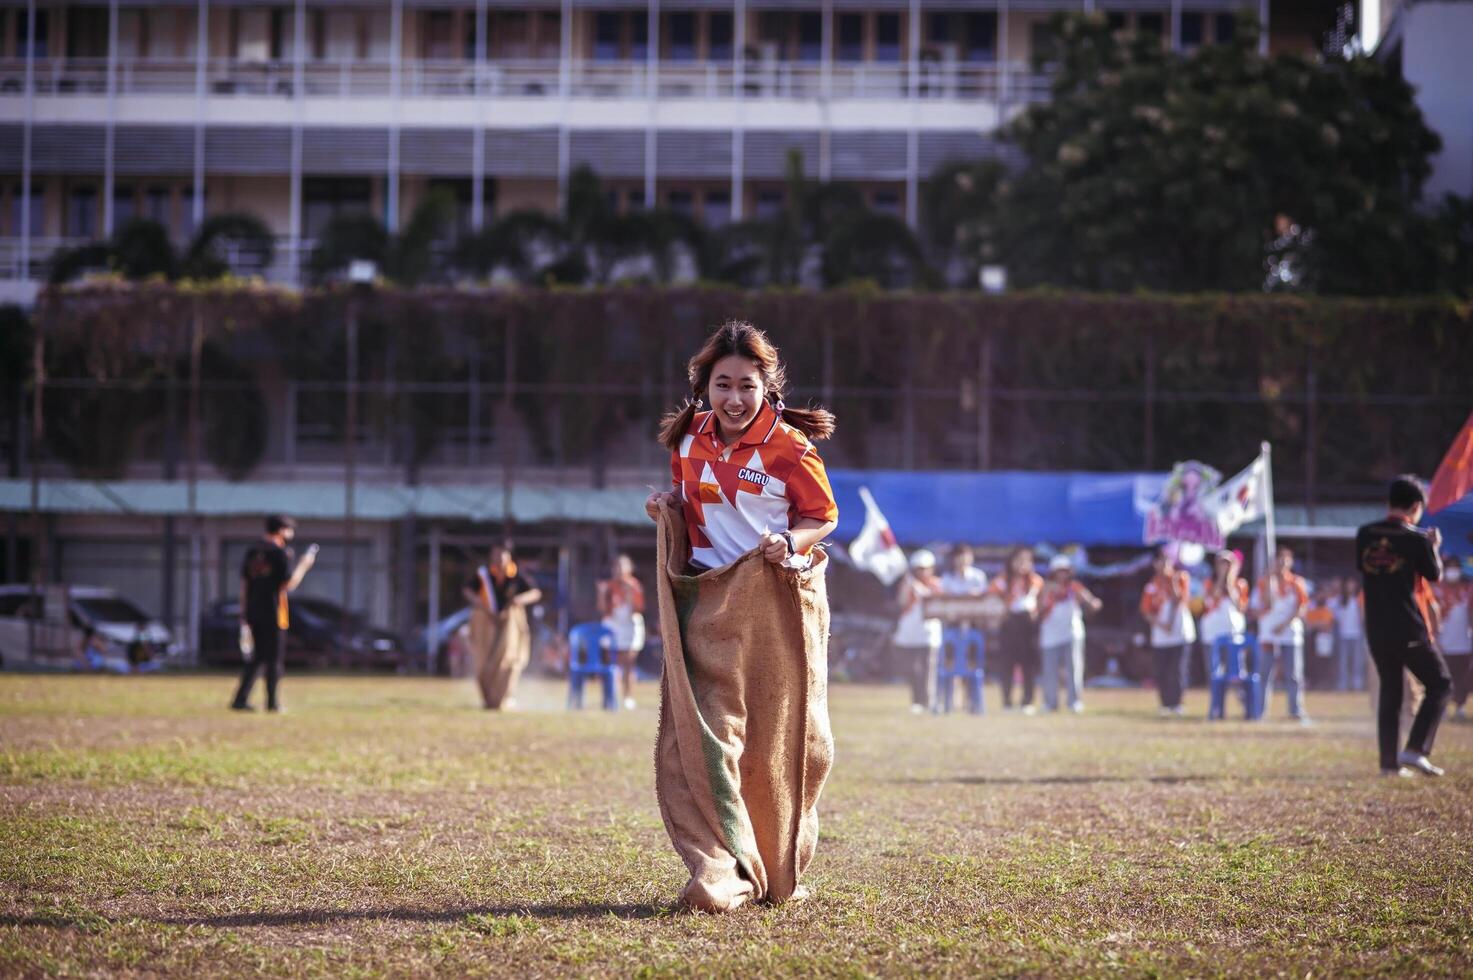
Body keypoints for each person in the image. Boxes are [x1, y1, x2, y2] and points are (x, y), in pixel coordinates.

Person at [644, 320, 838, 912]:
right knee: (703, 738)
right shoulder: (687, 439)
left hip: (772, 606)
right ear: (705, 386)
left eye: (746, 386)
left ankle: (775, 868)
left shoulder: (789, 448)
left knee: (781, 743)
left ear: (767, 387)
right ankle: (721, 869)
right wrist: (668, 505)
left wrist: (792, 542)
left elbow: (823, 516)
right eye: (722, 384)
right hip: (706, 604)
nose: (733, 398)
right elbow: (688, 498)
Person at [1356, 475, 1451, 777]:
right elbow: (1434, 575)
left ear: (1389, 503)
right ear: (1416, 506)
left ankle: (1388, 763)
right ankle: (1415, 749)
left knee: (1391, 692)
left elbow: (1367, 569)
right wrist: (1432, 546)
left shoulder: (1364, 533)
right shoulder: (1416, 538)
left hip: (1375, 626)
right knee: (1440, 683)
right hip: (1407, 626)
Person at [231, 514, 316, 712]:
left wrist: (243, 611)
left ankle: (240, 699)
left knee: (257, 657)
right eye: (289, 530)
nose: (291, 534)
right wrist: (304, 564)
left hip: (253, 610)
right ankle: (272, 703)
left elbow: (244, 584)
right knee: (274, 659)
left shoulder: (253, 550)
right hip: (274, 611)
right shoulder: (280, 552)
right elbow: (288, 584)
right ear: (281, 530)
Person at [461, 543, 542, 710]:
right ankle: (489, 699)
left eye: (502, 555)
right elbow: (468, 590)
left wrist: (519, 600)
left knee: (507, 661)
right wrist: (479, 603)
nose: (498, 559)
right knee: (483, 664)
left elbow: (535, 593)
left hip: (509, 625)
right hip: (487, 624)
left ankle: (503, 699)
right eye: (495, 555)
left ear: (509, 557)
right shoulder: (484, 576)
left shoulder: (517, 576)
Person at [1038, 554, 1101, 713]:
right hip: (1050, 634)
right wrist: (1047, 595)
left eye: (1064, 571)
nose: (1061, 575)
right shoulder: (1046, 588)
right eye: (1058, 571)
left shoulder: (1075, 587)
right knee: (1050, 670)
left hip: (1072, 633)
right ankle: (1050, 702)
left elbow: (1092, 602)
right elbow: (1038, 609)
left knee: (1074, 668)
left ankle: (1074, 701)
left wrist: (1093, 603)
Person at [1254, 546, 1310, 722]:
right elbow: (1260, 606)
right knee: (1265, 673)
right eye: (1278, 561)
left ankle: (1295, 709)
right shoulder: (1264, 582)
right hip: (1268, 634)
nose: (1281, 565)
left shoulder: (1296, 583)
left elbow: (1301, 608)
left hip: (1289, 634)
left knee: (1293, 674)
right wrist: (1270, 583)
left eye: (1285, 561)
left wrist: (1284, 624)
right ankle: (1260, 711)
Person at [1140, 546, 1194, 716]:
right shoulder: (1151, 586)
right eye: (1161, 561)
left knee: (1177, 669)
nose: (1164, 565)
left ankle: (1177, 703)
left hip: (1180, 632)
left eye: (1167, 561)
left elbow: (1181, 600)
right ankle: (1165, 704)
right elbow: (1146, 610)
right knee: (1162, 670)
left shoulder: (1181, 578)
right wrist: (1161, 624)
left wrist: (1171, 582)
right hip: (1161, 634)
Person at [894, 549, 944, 714]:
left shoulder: (936, 584)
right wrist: (908, 588)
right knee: (913, 668)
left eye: (926, 568)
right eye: (919, 568)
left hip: (929, 632)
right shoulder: (907, 583)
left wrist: (922, 590)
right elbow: (901, 602)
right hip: (910, 631)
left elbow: (940, 604)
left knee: (929, 667)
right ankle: (916, 701)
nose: (923, 572)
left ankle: (929, 700)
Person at [994, 547, 1043, 714]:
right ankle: (1007, 701)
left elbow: (1040, 602)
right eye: (1019, 560)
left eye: (1026, 561)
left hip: (1027, 625)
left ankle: (1027, 702)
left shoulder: (1035, 581)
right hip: (1009, 624)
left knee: (1028, 665)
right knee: (1007, 664)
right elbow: (991, 595)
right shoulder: (1003, 580)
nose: (1022, 564)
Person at [597, 554, 646, 710]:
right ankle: (612, 697)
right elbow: (603, 610)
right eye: (616, 566)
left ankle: (628, 697)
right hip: (613, 626)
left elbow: (637, 609)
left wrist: (629, 593)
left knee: (628, 663)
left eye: (621, 566)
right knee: (612, 664)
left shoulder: (635, 586)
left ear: (629, 568)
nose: (618, 570)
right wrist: (601, 593)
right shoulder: (608, 587)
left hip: (630, 626)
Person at [1432, 559, 1471, 721]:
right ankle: (1444, 707)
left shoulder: (1467, 591)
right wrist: (1435, 638)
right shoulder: (1438, 591)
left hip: (1464, 643)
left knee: (1463, 677)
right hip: (1444, 643)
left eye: (1456, 568)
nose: (1452, 571)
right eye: (1450, 568)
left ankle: (1460, 706)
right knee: (1445, 677)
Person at [1199, 549, 1250, 648]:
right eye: (1221, 563)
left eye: (1228, 564)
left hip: (1233, 633)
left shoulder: (1240, 584)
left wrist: (1230, 581)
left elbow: (1240, 607)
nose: (1225, 567)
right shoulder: (1209, 583)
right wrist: (1221, 578)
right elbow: (1210, 601)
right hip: (1212, 634)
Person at [1330, 578, 1367, 692]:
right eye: (1348, 585)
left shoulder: (1358, 600)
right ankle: (1343, 683)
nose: (1350, 587)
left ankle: (1357, 683)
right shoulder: (1339, 601)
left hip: (1356, 635)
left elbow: (1362, 617)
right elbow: (1333, 616)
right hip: (1343, 635)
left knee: (1357, 661)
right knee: (1343, 662)